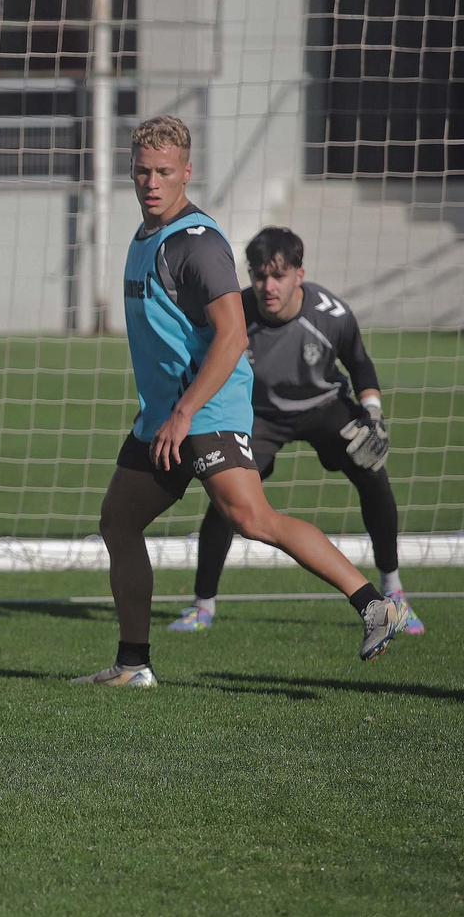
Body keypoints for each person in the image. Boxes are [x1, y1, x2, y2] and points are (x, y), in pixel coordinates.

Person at [78, 115, 412, 688]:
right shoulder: (145, 236)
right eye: (142, 171)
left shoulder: (197, 244)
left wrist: (185, 413)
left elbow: (232, 337)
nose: (151, 182)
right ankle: (133, 664)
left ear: (187, 172)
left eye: (164, 171)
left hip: (204, 413)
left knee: (251, 518)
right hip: (165, 417)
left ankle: (375, 605)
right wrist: (168, 414)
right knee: (118, 522)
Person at [171, 226, 424, 635]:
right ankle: (202, 604)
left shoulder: (332, 315)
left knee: (374, 478)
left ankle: (394, 593)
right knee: (227, 499)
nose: (268, 286)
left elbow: (359, 364)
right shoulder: (235, 313)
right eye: (259, 275)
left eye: (279, 275)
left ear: (299, 275)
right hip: (259, 415)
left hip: (324, 407)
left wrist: (373, 415)